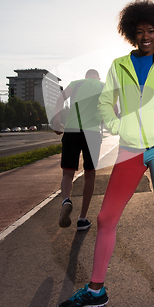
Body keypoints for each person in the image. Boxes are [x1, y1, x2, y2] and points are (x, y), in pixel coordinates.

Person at [57, 0, 154, 307]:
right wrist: (117, 125)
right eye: (140, 31)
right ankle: (96, 290)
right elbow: (106, 102)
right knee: (105, 218)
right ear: (132, 33)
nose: (146, 36)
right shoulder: (119, 65)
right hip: (130, 149)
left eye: (152, 31)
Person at [53, 69, 104, 231]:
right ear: (98, 77)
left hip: (72, 131)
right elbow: (114, 111)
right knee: (90, 174)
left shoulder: (76, 84)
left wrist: (56, 121)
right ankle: (82, 219)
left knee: (67, 174)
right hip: (92, 133)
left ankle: (66, 200)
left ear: (86, 76)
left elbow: (60, 99)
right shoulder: (103, 86)